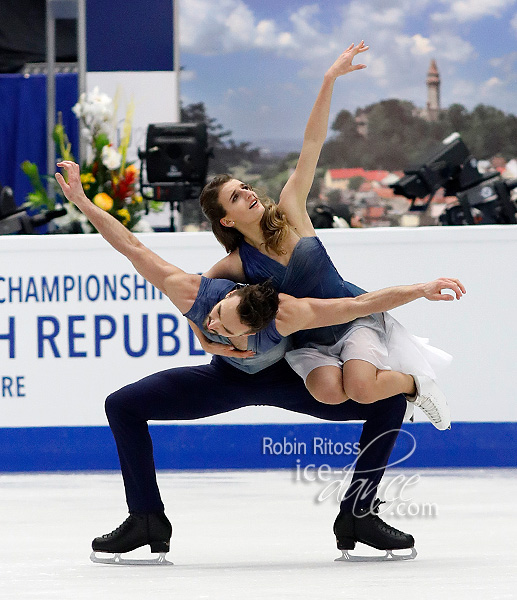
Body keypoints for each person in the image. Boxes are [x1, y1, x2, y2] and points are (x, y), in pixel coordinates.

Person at [55, 160, 463, 563]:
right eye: (215, 315)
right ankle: (146, 519)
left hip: (286, 380)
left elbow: (358, 303)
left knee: (384, 397)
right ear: (230, 291)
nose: (215, 324)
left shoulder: (285, 313)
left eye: (226, 327)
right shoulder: (197, 293)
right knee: (122, 404)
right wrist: (82, 201)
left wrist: (420, 289)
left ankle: (357, 515)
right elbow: (131, 246)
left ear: (255, 324)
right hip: (225, 381)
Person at [199, 41, 455, 432]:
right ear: (226, 221)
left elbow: (312, 143)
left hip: (353, 317)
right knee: (329, 393)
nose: (249, 193)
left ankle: (416, 384)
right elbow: (190, 294)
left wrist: (329, 79)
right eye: (236, 197)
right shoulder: (233, 265)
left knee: (361, 389)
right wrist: (204, 338)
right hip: (308, 342)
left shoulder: (290, 210)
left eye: (245, 187)